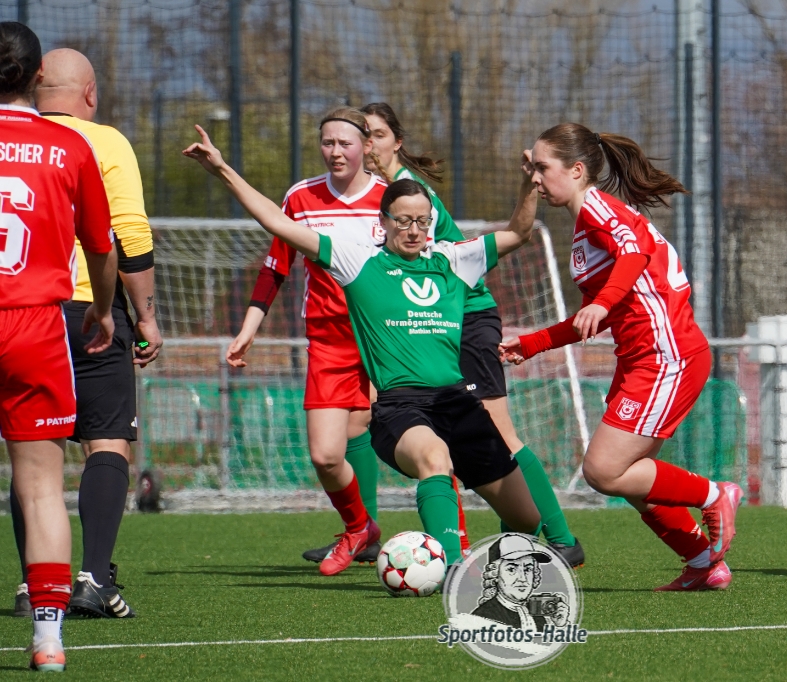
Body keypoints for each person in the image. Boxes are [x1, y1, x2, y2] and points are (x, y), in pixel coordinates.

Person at [184, 126, 543, 567]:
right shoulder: (358, 260)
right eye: (403, 220)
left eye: (422, 221)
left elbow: (519, 232)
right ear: (383, 221)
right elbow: (278, 223)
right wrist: (222, 169)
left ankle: (501, 567)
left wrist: (529, 185)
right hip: (403, 408)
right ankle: (449, 568)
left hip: (458, 403)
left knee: (526, 519)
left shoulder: (454, 260)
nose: (414, 230)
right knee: (434, 458)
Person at [499, 123, 742, 592]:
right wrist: (530, 344)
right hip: (641, 358)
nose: (536, 178)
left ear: (576, 170)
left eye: (544, 168)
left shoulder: (597, 207)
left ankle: (714, 494)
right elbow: (592, 316)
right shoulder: (584, 228)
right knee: (631, 478)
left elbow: (633, 257)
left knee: (603, 470)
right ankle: (703, 563)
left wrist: (603, 302)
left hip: (666, 354)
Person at [362, 101, 583, 567]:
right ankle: (433, 544)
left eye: (375, 134)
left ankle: (560, 538)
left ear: (396, 142)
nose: (366, 145)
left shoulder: (409, 193)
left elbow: (501, 241)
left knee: (498, 432)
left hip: (465, 318)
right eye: (360, 135)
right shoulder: (372, 195)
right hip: (431, 326)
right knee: (431, 446)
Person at [9, 47, 163, 622]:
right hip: (84, 307)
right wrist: (145, 317)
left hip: (20, 309)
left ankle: (33, 586)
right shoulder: (101, 142)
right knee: (107, 440)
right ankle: (94, 579)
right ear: (91, 94)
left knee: (32, 457)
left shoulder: (11, 139)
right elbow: (127, 233)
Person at [0, 22, 117, 671]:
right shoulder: (70, 145)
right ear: (38, 75)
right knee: (41, 487)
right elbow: (102, 247)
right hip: (36, 326)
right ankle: (48, 638)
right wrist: (102, 310)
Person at [227, 107, 387, 575]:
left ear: (366, 147)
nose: (335, 152)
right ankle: (361, 528)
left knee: (414, 438)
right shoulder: (302, 196)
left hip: (386, 338)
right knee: (325, 453)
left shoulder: (390, 197)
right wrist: (249, 328)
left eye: (345, 143)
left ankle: (449, 544)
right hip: (329, 339)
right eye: (327, 142)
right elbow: (275, 267)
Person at [472, 534, 569, 629]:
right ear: (495, 574)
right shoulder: (484, 617)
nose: (523, 578)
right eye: (511, 569)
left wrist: (560, 625)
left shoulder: (537, 613)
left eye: (528, 569)